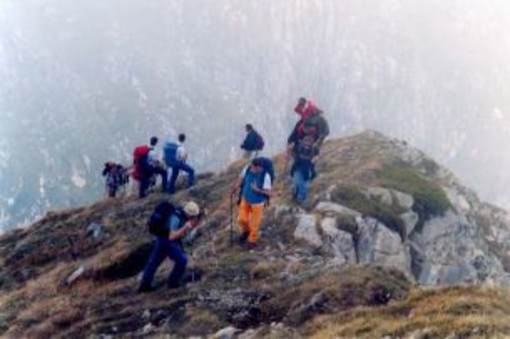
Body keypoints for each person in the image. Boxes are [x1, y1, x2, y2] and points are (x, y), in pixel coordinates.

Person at [139, 201, 202, 292]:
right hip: (167, 241)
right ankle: (173, 282)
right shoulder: (176, 218)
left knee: (153, 262)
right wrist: (185, 228)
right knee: (182, 260)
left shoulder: (180, 215)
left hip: (162, 240)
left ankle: (144, 286)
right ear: (189, 215)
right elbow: (171, 236)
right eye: (193, 216)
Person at [230, 157, 272, 249]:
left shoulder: (266, 176)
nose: (252, 169)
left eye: (255, 168)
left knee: (255, 223)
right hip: (245, 199)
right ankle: (246, 231)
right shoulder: (247, 169)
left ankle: (252, 241)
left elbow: (269, 192)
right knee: (241, 219)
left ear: (259, 167)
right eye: (252, 167)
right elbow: (241, 179)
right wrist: (234, 188)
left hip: (258, 202)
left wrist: (258, 190)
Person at [289, 135, 319, 203]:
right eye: (306, 141)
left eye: (309, 142)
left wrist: (315, 159)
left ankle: (301, 199)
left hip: (308, 169)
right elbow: (291, 151)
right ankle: (297, 197)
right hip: (298, 167)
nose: (307, 143)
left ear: (312, 143)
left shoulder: (314, 149)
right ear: (303, 142)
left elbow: (317, 156)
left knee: (304, 185)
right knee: (298, 183)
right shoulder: (298, 147)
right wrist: (290, 149)